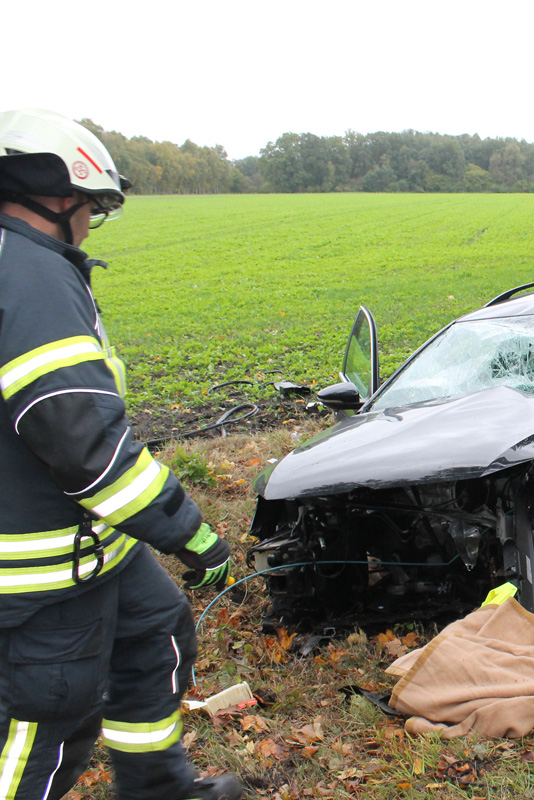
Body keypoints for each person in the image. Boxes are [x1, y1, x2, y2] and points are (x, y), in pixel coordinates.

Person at [0, 109, 243, 800]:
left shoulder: (25, 263)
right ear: (60, 195)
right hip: (39, 572)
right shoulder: (33, 279)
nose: (89, 224)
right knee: (46, 720)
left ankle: (158, 790)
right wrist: (195, 536)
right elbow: (88, 452)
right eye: (93, 208)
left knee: (154, 634)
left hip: (93, 546)